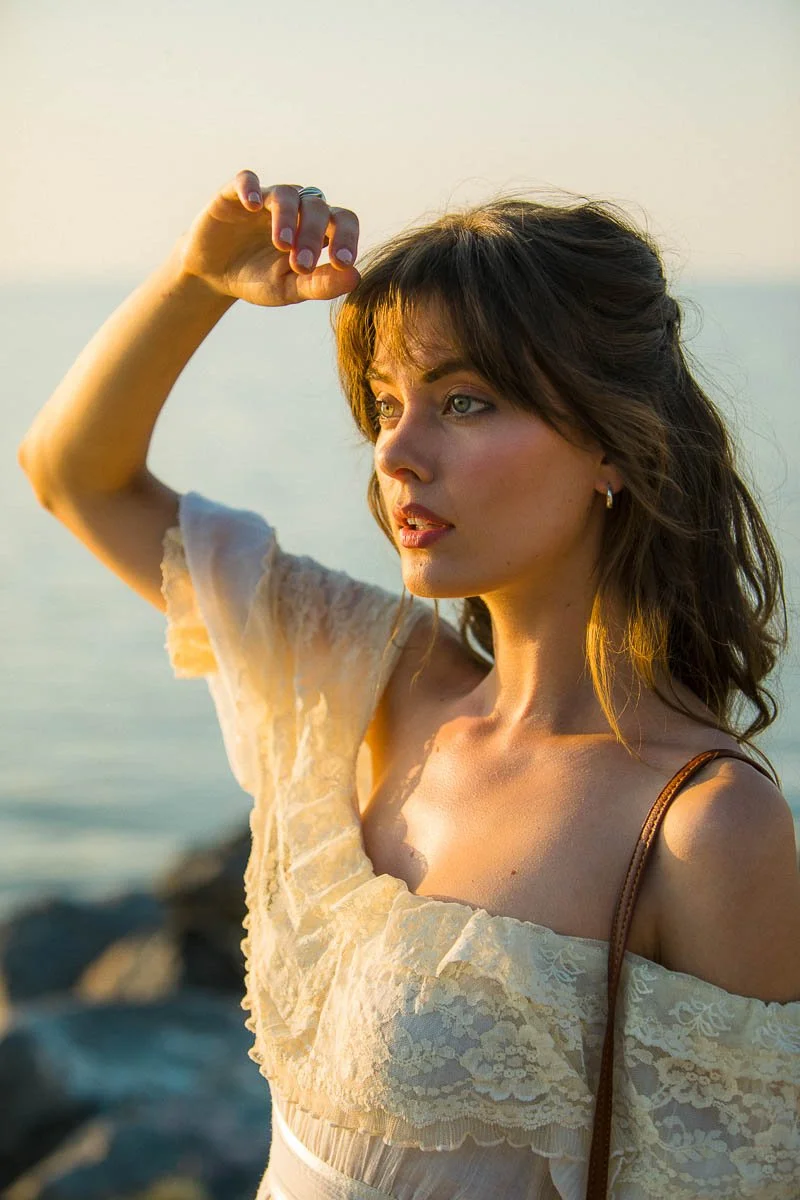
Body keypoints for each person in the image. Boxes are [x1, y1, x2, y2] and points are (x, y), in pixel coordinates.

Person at [18, 169, 800, 1199]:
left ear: (612, 443)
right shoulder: (371, 680)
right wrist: (195, 279)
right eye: (387, 403)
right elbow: (73, 474)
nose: (395, 450)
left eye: (463, 402)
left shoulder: (704, 826)